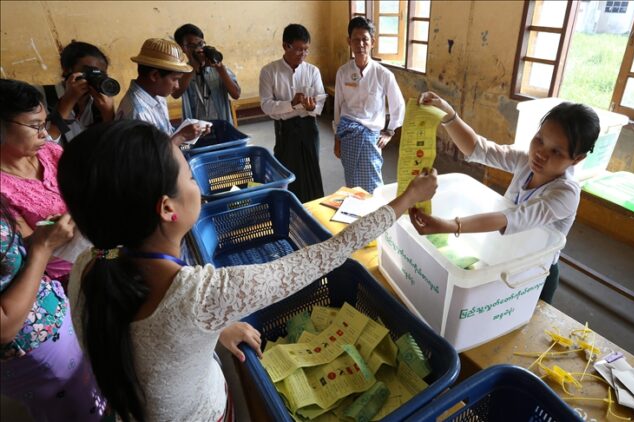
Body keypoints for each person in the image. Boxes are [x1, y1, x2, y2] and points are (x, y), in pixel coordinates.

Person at [57, 119, 437, 421]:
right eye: (189, 176)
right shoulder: (202, 296)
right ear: (167, 208)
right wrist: (408, 198)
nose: (197, 185)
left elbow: (153, 340)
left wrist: (212, 327)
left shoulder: (91, 263)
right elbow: (329, 253)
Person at [410, 92, 600, 304]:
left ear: (577, 159)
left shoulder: (565, 194)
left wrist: (450, 226)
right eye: (539, 140)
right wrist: (448, 114)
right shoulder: (525, 161)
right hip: (505, 256)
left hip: (535, 273)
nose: (540, 153)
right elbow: (479, 149)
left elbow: (511, 217)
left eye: (556, 152)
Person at [0, 197, 107, 421]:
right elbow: (4, 326)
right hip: (32, 356)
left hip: (56, 325)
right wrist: (42, 248)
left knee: (90, 392)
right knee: (77, 410)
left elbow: (7, 260)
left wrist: (42, 238)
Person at [0, 78, 76, 283]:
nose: (44, 133)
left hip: (98, 252)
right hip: (61, 277)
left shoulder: (51, 153)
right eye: (35, 126)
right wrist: (49, 234)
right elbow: (26, 248)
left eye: (44, 124)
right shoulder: (3, 190)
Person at [333, 16, 405, 194]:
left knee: (373, 184)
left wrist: (390, 131)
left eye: (364, 39)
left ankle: (374, 217)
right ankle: (356, 217)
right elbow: (338, 106)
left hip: (370, 138)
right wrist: (337, 137)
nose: (360, 44)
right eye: (355, 40)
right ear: (349, 41)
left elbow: (398, 105)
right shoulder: (343, 72)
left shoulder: (383, 74)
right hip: (348, 133)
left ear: (372, 42)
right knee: (351, 182)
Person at [260, 23, 326, 203]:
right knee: (286, 171)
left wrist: (312, 108)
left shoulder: (312, 71)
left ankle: (313, 210)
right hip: (285, 129)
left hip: (308, 127)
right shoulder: (269, 72)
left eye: (306, 50)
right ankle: (289, 207)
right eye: (298, 50)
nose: (303, 55)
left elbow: (320, 99)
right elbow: (266, 105)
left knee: (312, 171)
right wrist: (292, 104)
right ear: (285, 46)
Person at [116, 38, 205, 145]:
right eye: (175, 79)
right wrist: (181, 136)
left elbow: (166, 135)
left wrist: (190, 132)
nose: (177, 86)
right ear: (154, 75)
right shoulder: (138, 113)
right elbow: (149, 158)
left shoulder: (157, 95)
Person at [36, 41, 116, 146]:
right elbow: (43, 149)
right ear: (67, 70)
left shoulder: (99, 104)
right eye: (89, 71)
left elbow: (112, 145)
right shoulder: (40, 97)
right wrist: (68, 101)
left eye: (101, 74)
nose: (95, 77)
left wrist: (108, 114)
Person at [172, 24, 241, 124]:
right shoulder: (182, 71)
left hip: (221, 124)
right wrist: (193, 67)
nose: (198, 49)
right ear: (182, 48)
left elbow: (236, 94)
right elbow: (175, 94)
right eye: (192, 46)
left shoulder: (218, 67)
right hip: (195, 128)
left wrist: (220, 68)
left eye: (201, 44)